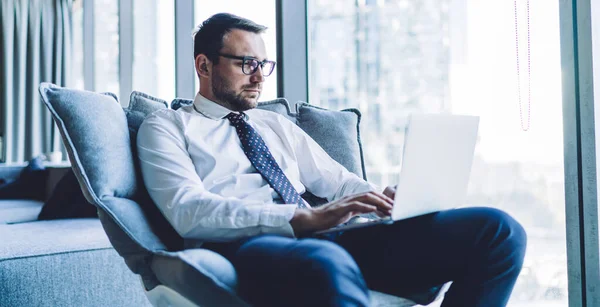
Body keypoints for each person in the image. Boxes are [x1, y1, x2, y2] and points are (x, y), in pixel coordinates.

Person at [137, 13, 527, 307]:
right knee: (323, 261)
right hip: (248, 245)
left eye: (263, 65)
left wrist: (379, 200)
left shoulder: (273, 124)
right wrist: (298, 219)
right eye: (246, 64)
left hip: (333, 238)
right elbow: (187, 211)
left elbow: (339, 183)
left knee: (499, 231)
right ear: (204, 65)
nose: (259, 77)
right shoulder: (168, 127)